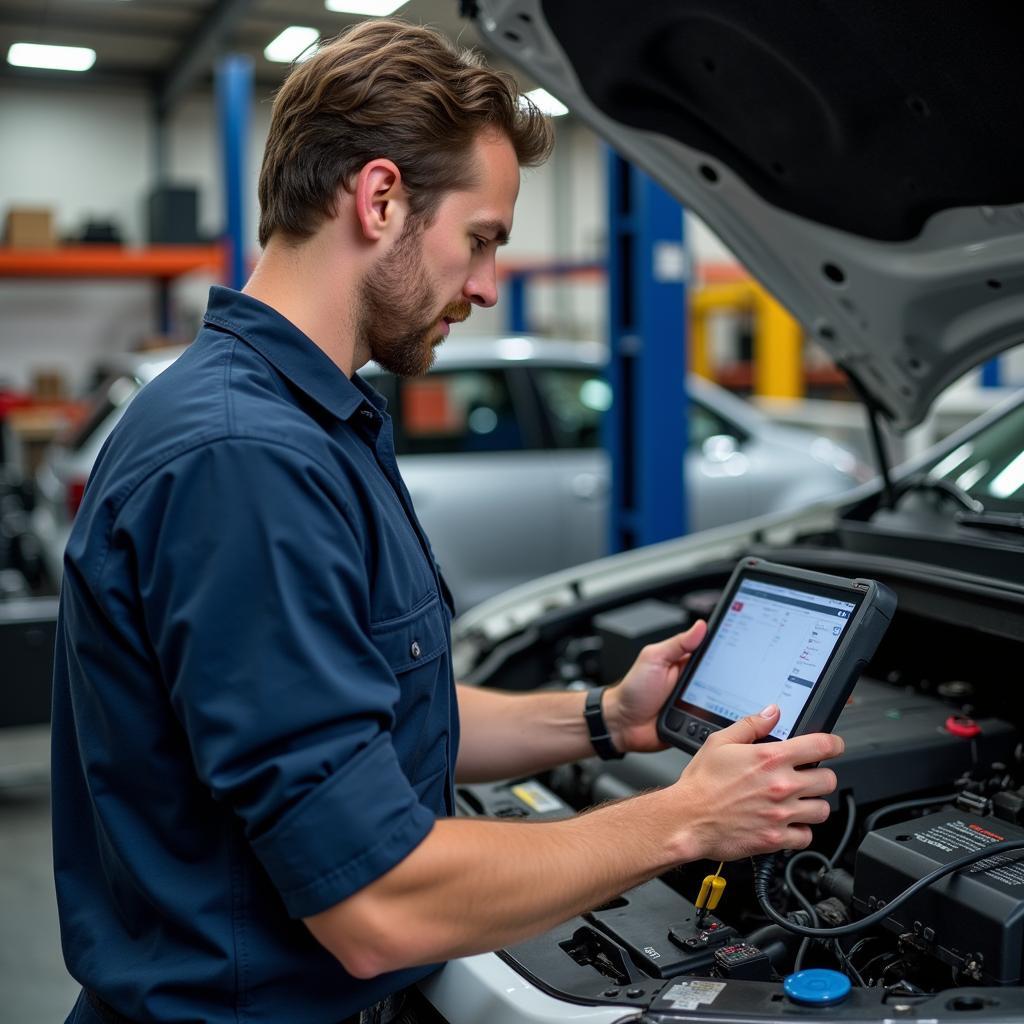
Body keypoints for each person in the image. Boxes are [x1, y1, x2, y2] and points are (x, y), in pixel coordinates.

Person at [51, 18, 843, 1024]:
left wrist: (605, 718)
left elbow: (372, 713)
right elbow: (374, 899)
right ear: (380, 198)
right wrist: (686, 819)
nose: (483, 285)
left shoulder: (309, 420)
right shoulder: (245, 459)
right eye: (479, 239)